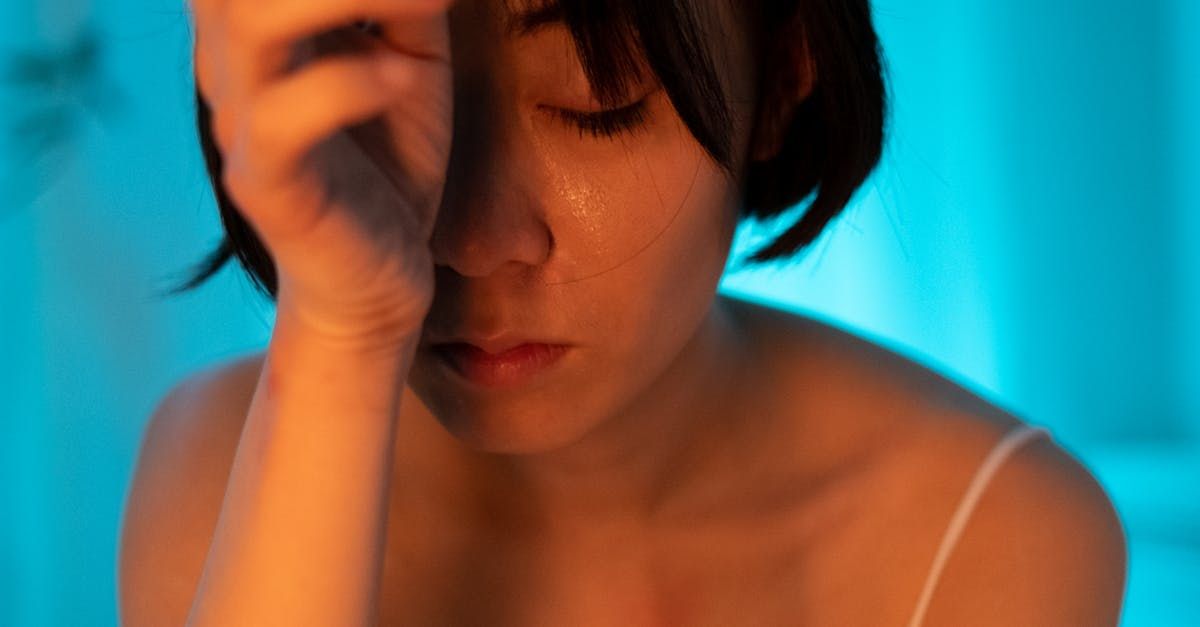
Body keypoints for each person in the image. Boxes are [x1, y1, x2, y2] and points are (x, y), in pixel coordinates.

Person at [117, 1, 1128, 625]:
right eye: (399, 115)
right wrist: (341, 336)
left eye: (596, 104)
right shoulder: (222, 472)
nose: (474, 238)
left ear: (781, 80)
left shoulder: (993, 534)